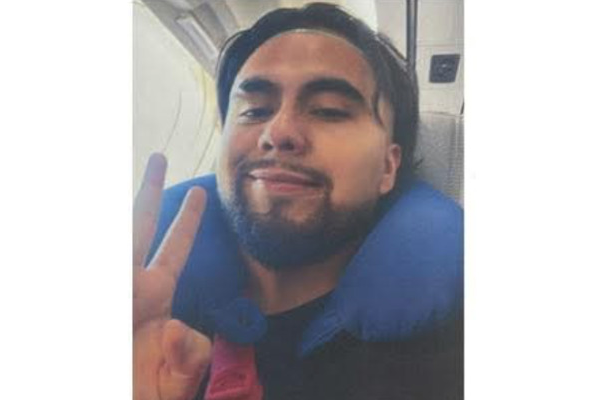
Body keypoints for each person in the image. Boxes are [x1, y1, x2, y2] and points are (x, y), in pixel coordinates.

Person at [133, 3, 463, 400]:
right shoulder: (141, 316)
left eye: (329, 111)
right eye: (254, 110)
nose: (279, 132)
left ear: (388, 167)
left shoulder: (453, 354)